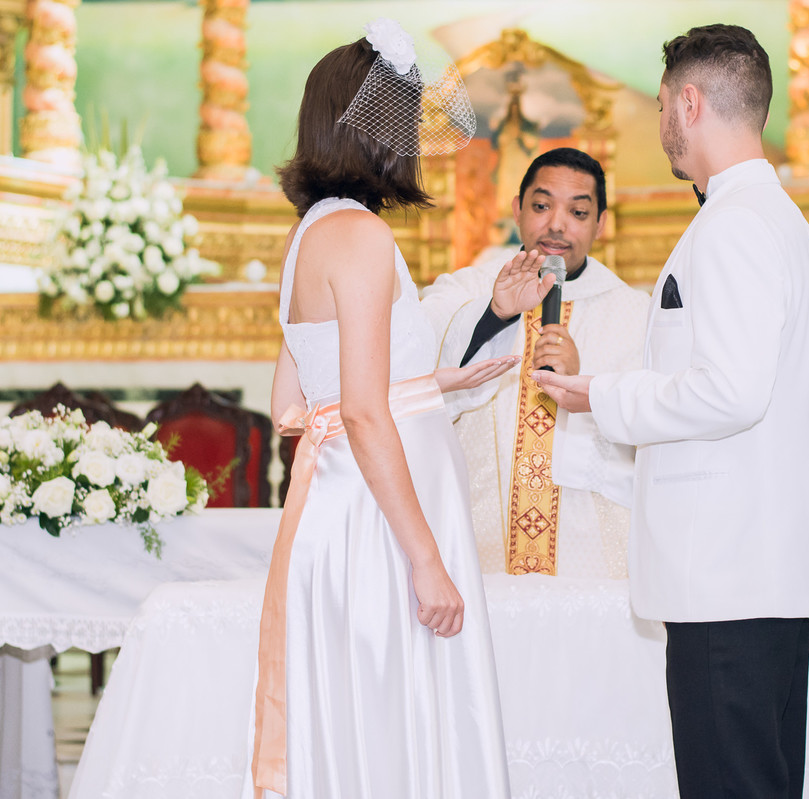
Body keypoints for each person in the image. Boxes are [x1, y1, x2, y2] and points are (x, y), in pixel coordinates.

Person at [535, 23, 809, 799]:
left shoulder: (735, 225)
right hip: (755, 570)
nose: (663, 120)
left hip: (725, 575)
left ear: (690, 103)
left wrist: (602, 393)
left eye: (665, 103)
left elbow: (731, 389)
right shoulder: (777, 218)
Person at [252, 20, 514, 798]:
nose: (418, 139)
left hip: (346, 509)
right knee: (402, 729)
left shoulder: (308, 234)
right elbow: (363, 414)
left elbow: (292, 403)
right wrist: (426, 559)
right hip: (383, 522)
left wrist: (432, 387)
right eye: (407, 119)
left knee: (364, 730)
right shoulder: (360, 236)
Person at [420, 147, 650, 578]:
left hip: (591, 556)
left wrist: (589, 384)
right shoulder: (467, 289)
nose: (557, 225)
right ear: (517, 210)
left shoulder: (635, 314)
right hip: (476, 546)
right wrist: (494, 315)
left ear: (601, 223)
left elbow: (653, 421)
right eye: (542, 206)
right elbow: (415, 367)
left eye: (578, 212)